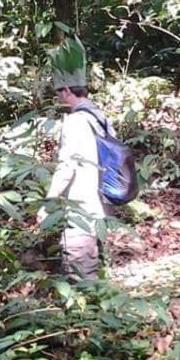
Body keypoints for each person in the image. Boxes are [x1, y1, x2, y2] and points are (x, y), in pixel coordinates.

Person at [36, 40, 111, 281]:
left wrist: (49, 202)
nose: (58, 97)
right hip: (101, 200)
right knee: (92, 254)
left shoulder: (75, 120)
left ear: (67, 90)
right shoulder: (99, 115)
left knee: (78, 264)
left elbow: (66, 165)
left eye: (59, 92)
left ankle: (84, 310)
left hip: (81, 202)